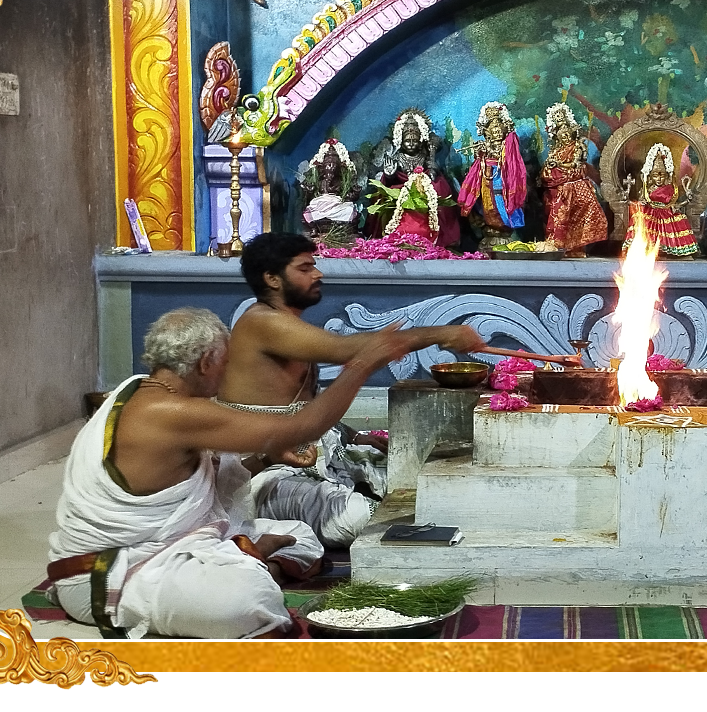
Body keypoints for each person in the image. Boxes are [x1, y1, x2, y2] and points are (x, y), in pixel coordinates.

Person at [47, 307, 411, 639]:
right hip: (109, 574)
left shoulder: (139, 390)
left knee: (299, 535)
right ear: (207, 362)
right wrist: (361, 366)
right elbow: (304, 426)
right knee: (250, 599)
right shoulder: (170, 412)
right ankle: (250, 563)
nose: (228, 373)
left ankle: (248, 557)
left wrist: (267, 459)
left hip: (166, 543)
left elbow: (204, 486)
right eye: (226, 362)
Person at [218, 232, 487, 547]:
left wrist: (354, 436)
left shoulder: (281, 322)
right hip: (266, 475)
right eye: (305, 268)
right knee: (363, 517)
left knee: (414, 482)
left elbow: (304, 404)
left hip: (313, 460)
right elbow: (348, 350)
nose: (318, 274)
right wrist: (440, 333)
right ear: (272, 279)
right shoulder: (261, 322)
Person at [367, 109, 461, 247]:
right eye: (407, 141)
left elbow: (432, 176)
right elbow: (391, 182)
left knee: (440, 187)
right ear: (401, 142)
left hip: (422, 189)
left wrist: (433, 168)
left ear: (421, 141)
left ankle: (440, 234)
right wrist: (389, 175)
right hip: (401, 192)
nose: (411, 143)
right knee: (385, 194)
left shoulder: (424, 157)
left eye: (414, 140)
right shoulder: (397, 158)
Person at [539, 102, 608, 257]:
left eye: (566, 132)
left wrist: (559, 165)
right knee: (556, 215)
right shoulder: (556, 151)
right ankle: (558, 245)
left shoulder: (577, 146)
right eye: (561, 133)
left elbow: (576, 165)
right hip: (557, 188)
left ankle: (576, 247)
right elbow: (548, 168)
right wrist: (550, 167)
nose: (564, 136)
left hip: (575, 187)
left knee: (576, 215)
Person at [457, 101, 528, 249]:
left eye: (499, 126)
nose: (496, 131)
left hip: (504, 179)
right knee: (487, 206)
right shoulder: (485, 145)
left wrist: (492, 150)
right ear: (487, 131)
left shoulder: (509, 145)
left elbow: (510, 160)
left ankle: (504, 229)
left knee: (503, 205)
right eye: (492, 128)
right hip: (487, 179)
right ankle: (489, 230)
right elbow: (479, 162)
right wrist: (480, 153)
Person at [624, 143, 699, 259]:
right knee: (639, 217)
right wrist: (639, 203)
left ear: (667, 176)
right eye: (655, 176)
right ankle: (645, 249)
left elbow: (675, 203)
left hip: (666, 213)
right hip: (651, 212)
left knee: (680, 219)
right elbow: (641, 201)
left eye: (662, 176)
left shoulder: (670, 189)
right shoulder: (647, 189)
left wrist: (685, 201)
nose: (659, 179)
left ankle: (671, 251)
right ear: (650, 176)